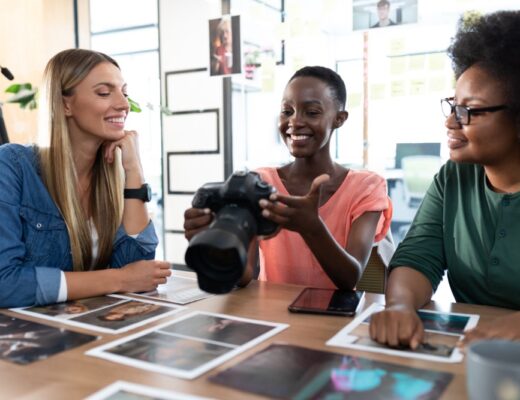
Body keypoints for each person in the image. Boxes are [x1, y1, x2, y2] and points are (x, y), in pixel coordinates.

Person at [369, 10, 520, 349]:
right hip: (474, 355)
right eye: (453, 105)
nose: (451, 122)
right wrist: (399, 306)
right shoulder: (454, 177)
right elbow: (419, 256)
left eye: (469, 110)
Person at [184, 66, 392, 290]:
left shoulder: (367, 187)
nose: (295, 122)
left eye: (311, 112)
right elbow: (244, 276)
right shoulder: (259, 182)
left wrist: (312, 228)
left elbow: (351, 278)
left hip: (334, 320)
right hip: (273, 316)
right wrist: (214, 241)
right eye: (287, 111)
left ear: (339, 119)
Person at [0, 49, 171, 308]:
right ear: (65, 104)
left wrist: (135, 172)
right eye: (104, 93)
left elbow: (139, 270)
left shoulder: (113, 172)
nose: (124, 104)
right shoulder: (12, 166)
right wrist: (120, 279)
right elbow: (5, 284)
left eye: (123, 92)